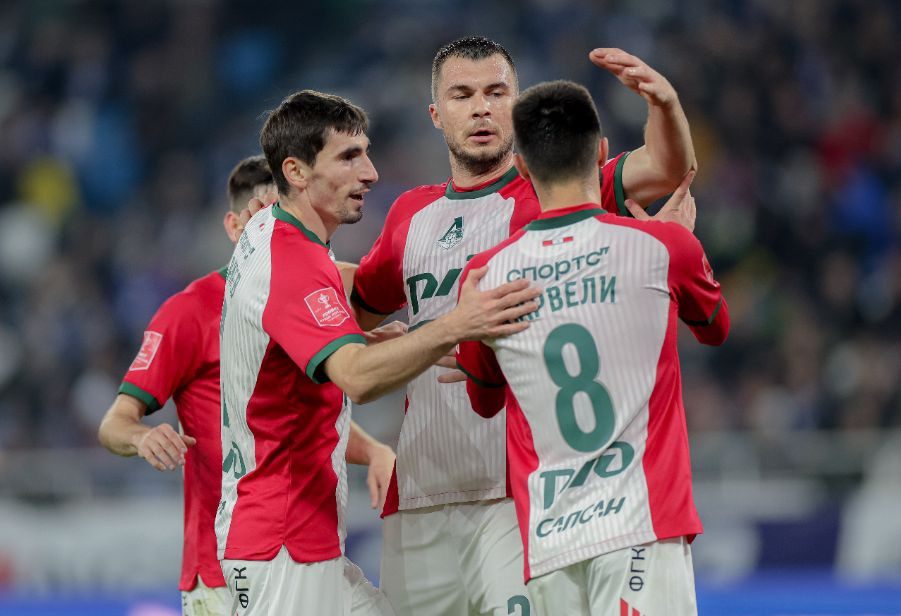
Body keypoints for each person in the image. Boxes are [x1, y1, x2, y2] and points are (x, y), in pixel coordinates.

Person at [348, 36, 698, 615]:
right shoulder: (409, 214)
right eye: (462, 95)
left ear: (516, 105)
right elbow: (353, 309)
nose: (481, 108)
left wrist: (664, 103)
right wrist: (285, 251)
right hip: (417, 501)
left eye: (496, 93)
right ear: (436, 114)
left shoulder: (555, 191)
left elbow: (667, 167)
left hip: (515, 499)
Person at [215, 90, 539, 616]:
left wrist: (373, 337)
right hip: (281, 546)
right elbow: (358, 379)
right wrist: (458, 323)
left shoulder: (268, 228)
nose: (370, 174)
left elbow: (290, 328)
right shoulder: (293, 261)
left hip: (292, 537)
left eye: (365, 153)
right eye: (348, 157)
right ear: (296, 171)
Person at [456, 80, 729, 615]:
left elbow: (484, 402)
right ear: (603, 153)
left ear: (523, 168)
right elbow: (715, 329)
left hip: (549, 541)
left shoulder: (484, 277)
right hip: (640, 525)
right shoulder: (662, 246)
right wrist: (681, 248)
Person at [97, 155, 397, 616]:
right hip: (224, 570)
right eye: (263, 217)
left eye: (284, 218)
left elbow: (294, 414)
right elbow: (115, 423)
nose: (276, 230)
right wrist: (141, 436)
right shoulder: (189, 311)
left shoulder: (312, 291)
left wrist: (373, 450)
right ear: (235, 225)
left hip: (303, 549)